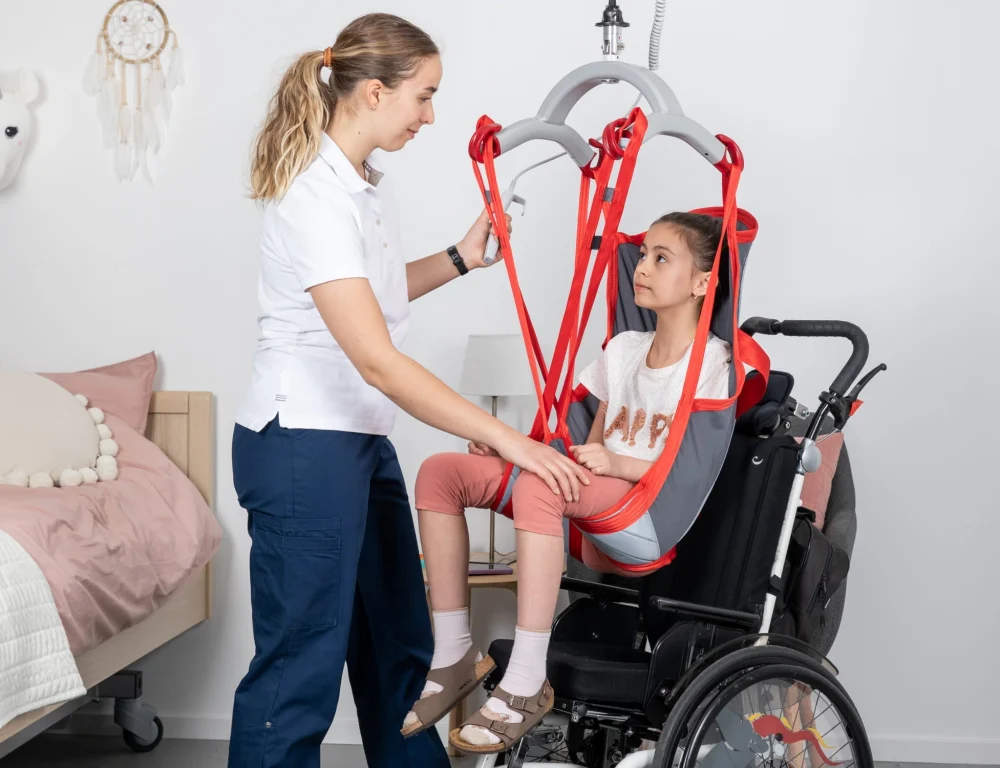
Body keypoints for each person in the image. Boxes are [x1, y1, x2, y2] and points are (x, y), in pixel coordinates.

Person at [229, 12, 589, 768]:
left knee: (401, 647)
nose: (431, 115)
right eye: (423, 97)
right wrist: (507, 438)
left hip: (355, 442)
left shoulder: (361, 187)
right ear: (370, 93)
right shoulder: (315, 196)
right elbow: (378, 359)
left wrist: (460, 258)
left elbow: (376, 296)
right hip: (301, 448)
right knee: (301, 668)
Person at [404, 212, 733, 754]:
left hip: (650, 518)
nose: (641, 268)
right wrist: (513, 447)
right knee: (442, 474)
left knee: (542, 488)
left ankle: (529, 680)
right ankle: (455, 652)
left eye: (660, 258)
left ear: (702, 282)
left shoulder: (714, 365)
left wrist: (615, 465)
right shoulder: (624, 348)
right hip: (591, 507)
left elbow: (691, 473)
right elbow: (581, 448)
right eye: (642, 254)